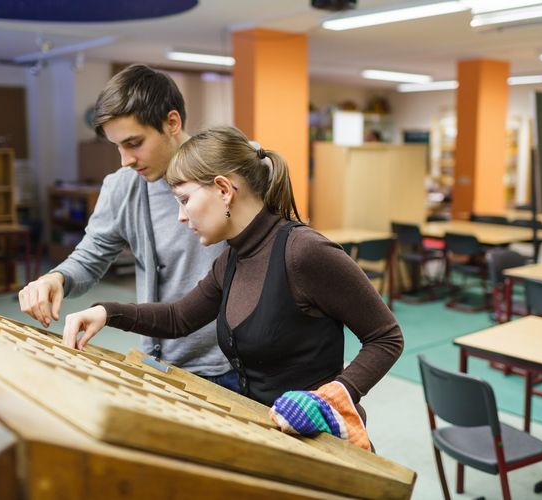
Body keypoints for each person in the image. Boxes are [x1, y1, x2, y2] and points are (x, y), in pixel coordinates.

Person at [61, 126, 404, 448]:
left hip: (323, 442)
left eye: (184, 199)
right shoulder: (232, 259)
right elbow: (180, 317)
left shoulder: (303, 252)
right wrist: (106, 311)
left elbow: (386, 337)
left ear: (224, 190)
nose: (181, 216)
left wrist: (329, 398)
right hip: (267, 434)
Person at [18, 65, 235, 390]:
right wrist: (56, 277)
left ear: (172, 122)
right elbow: (90, 257)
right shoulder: (122, 187)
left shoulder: (232, 172)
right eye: (117, 146)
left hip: (229, 364)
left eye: (134, 143)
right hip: (159, 361)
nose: (125, 160)